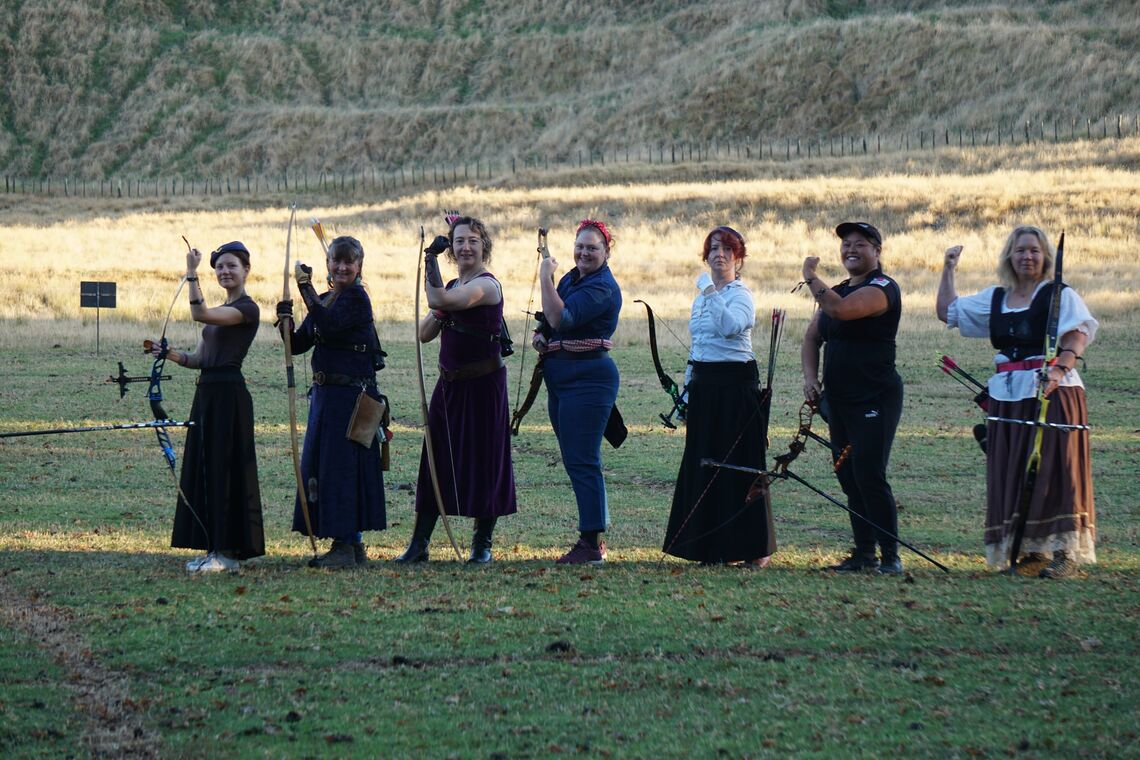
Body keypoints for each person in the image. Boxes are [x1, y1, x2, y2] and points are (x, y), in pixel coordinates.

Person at [936, 226, 1097, 578]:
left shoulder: (1058, 295)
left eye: (1035, 251)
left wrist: (1059, 370)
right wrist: (948, 268)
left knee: (1056, 468)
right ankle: (1033, 552)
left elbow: (1078, 334)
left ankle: (1064, 554)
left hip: (1053, 391)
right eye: (1021, 250)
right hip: (1008, 394)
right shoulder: (997, 297)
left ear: (1045, 258)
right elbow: (948, 311)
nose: (1027, 257)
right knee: (1016, 469)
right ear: (1010, 255)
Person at [395, 215, 518, 564]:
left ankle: (482, 545)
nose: (466, 247)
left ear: (484, 248)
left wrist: (428, 260)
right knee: (435, 458)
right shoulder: (452, 286)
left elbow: (445, 302)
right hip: (449, 388)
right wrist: (439, 308)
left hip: (484, 387)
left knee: (485, 460)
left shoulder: (488, 285)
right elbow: (424, 333)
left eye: (473, 241)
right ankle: (419, 544)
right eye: (459, 240)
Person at [663, 226, 776, 567]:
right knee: (705, 462)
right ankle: (710, 548)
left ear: (738, 258)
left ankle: (756, 551)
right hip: (704, 385)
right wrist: (685, 394)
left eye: (727, 249)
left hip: (736, 387)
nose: (719, 254)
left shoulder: (740, 295)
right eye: (713, 249)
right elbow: (698, 347)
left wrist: (711, 290)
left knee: (739, 463)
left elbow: (730, 328)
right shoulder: (701, 299)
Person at [801, 222, 904, 575]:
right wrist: (811, 379)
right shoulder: (839, 289)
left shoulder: (883, 288)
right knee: (847, 476)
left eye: (861, 244)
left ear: (877, 251)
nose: (851, 249)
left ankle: (891, 556)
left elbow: (842, 311)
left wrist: (809, 275)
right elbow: (813, 337)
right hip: (839, 401)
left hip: (875, 397)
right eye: (846, 244)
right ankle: (864, 554)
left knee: (870, 474)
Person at [278, 236, 387, 569]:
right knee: (328, 469)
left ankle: (344, 545)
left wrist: (304, 287)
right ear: (328, 265)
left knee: (343, 470)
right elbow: (297, 345)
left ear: (358, 267)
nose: (341, 267)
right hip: (327, 399)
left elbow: (329, 323)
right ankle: (351, 547)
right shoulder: (325, 299)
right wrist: (284, 321)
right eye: (336, 261)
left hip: (352, 400)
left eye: (348, 262)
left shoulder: (357, 298)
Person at [158, 241, 264, 573]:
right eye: (218, 267)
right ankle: (213, 547)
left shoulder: (248, 309)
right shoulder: (219, 313)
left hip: (229, 395)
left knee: (225, 469)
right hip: (207, 392)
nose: (224, 271)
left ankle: (228, 552)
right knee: (206, 469)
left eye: (232, 265)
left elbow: (199, 313)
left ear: (246, 270)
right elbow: (199, 359)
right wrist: (171, 354)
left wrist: (191, 273)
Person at [533, 219, 622, 565]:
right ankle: (591, 537)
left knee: (583, 460)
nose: (584, 253)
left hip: (588, 378)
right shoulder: (573, 277)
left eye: (592, 248)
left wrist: (544, 277)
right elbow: (551, 318)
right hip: (562, 376)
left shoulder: (601, 287)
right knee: (575, 458)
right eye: (580, 246)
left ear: (606, 251)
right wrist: (543, 334)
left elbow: (563, 318)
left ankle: (591, 542)